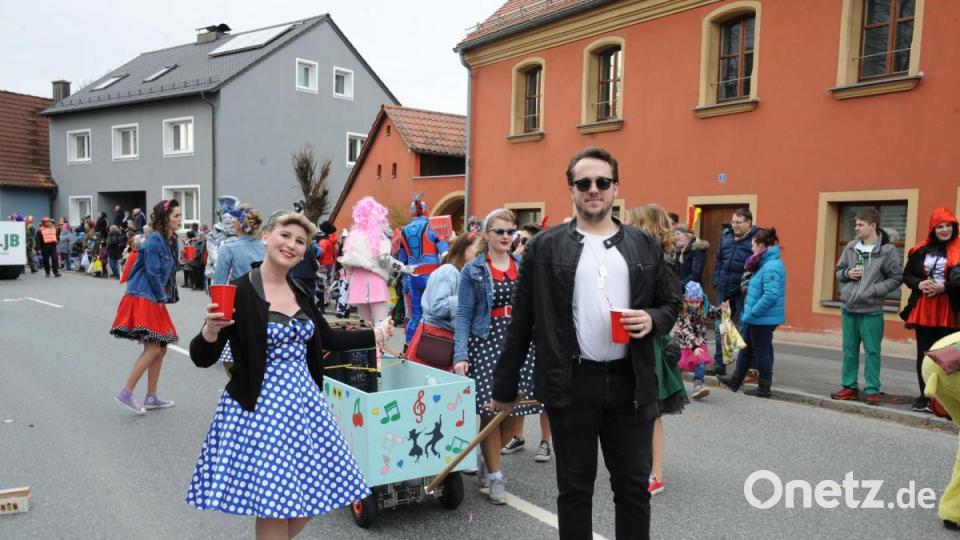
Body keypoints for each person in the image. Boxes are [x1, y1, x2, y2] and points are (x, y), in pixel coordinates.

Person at [491, 148, 682, 538]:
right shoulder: (545, 247)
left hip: (631, 382)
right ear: (572, 190)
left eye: (602, 182)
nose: (593, 190)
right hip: (571, 383)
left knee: (632, 488)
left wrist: (652, 319)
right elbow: (521, 322)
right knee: (574, 490)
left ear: (615, 188)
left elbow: (671, 302)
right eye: (584, 183)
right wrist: (504, 388)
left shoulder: (642, 244)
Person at [185, 212, 393, 539]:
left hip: (304, 407)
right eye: (285, 235)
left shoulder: (299, 291)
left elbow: (330, 338)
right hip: (261, 411)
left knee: (318, 491)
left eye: (300, 242)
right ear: (267, 236)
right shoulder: (238, 291)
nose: (292, 245)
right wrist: (210, 330)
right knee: (274, 504)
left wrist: (376, 334)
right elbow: (201, 357)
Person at [454, 208, 544, 505]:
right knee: (492, 411)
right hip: (487, 341)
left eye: (510, 232)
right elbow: (465, 314)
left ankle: (485, 456)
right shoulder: (474, 270)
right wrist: (461, 354)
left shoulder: (523, 264)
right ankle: (495, 477)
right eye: (500, 232)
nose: (506, 237)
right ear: (487, 235)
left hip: (520, 342)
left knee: (512, 412)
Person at [623, 203, 688, 497]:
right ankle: (640, 465)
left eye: (631, 223)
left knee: (652, 412)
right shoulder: (637, 256)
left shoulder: (662, 260)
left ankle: (655, 473)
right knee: (633, 409)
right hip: (631, 339)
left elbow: (671, 304)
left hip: (651, 342)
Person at [109, 199, 182, 414]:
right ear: (164, 218)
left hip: (153, 295)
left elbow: (168, 269)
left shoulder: (171, 240)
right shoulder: (153, 242)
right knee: (153, 348)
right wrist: (161, 298)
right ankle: (126, 393)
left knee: (161, 348)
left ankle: (151, 397)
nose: (180, 219)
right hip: (143, 296)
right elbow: (152, 273)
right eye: (176, 215)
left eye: (180, 215)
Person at [830, 208, 903, 406]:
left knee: (872, 352)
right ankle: (849, 387)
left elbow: (896, 278)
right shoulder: (852, 247)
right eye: (855, 224)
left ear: (873, 226)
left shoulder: (887, 250)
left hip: (871, 310)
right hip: (849, 308)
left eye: (860, 224)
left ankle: (872, 389)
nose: (856, 228)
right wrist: (847, 273)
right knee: (849, 350)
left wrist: (874, 289)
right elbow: (838, 271)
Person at [902, 207, 960, 412]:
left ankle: (946, 399)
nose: (944, 230)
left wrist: (945, 287)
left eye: (948, 226)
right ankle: (924, 396)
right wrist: (919, 284)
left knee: (948, 356)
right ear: (932, 229)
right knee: (924, 354)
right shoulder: (920, 250)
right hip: (924, 309)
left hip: (949, 310)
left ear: (954, 227)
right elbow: (907, 275)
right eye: (939, 226)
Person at [718, 228, 786, 398]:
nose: (751, 248)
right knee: (747, 349)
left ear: (762, 246)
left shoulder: (771, 266)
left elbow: (770, 296)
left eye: (753, 245)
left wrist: (752, 313)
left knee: (761, 351)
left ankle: (764, 388)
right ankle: (735, 381)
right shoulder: (763, 263)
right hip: (756, 317)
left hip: (762, 318)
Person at [406, 232, 480, 369]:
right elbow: (437, 307)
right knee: (426, 386)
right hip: (435, 337)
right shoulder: (448, 271)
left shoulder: (462, 273)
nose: (481, 253)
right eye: (478, 248)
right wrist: (466, 300)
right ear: (464, 249)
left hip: (444, 341)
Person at [339, 197, 404, 324]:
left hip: (357, 281)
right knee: (382, 324)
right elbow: (384, 260)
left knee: (365, 326)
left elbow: (346, 261)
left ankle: (370, 344)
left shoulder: (353, 236)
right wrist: (403, 267)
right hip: (375, 281)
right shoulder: (380, 236)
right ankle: (379, 345)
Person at [709, 208, 758, 376]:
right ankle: (719, 364)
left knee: (745, 328)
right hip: (724, 288)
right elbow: (719, 261)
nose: (734, 225)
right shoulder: (727, 238)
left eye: (738, 222)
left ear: (748, 223)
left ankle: (744, 368)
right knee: (720, 326)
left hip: (745, 291)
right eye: (733, 222)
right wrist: (716, 281)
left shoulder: (757, 239)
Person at [397, 194, 449, 344]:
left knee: (415, 315)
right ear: (426, 211)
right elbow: (445, 253)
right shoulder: (433, 228)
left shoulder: (403, 231)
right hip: (433, 276)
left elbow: (402, 261)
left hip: (414, 277)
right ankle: (430, 346)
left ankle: (409, 345)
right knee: (434, 314)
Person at [213, 207, 265, 285]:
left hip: (238, 295)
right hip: (263, 295)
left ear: (238, 225)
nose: (232, 224)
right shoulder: (266, 248)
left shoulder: (227, 248)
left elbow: (219, 284)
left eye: (234, 221)